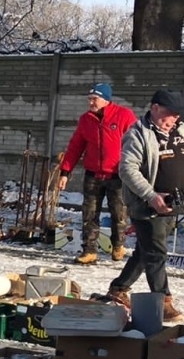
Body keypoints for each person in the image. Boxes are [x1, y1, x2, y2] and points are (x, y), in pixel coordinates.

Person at [107, 88, 184, 324]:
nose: (174, 119)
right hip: (147, 205)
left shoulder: (181, 130)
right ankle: (163, 301)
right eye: (169, 114)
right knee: (156, 253)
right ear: (154, 108)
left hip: (175, 203)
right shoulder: (137, 134)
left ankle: (118, 288)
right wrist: (151, 195)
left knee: (146, 251)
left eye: (177, 115)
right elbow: (127, 170)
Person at [57, 82, 136, 265]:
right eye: (89, 99)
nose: (91, 102)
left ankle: (118, 246)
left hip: (118, 174)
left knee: (119, 213)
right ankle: (89, 250)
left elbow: (136, 143)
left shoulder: (124, 116)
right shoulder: (86, 119)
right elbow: (75, 146)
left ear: (106, 100)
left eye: (95, 99)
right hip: (93, 174)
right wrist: (65, 171)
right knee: (89, 214)